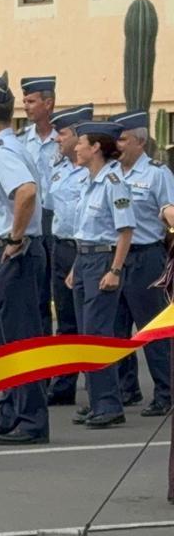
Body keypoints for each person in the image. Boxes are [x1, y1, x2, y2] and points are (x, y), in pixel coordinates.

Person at [0, 73, 50, 446]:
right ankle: (10, 413)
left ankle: (31, 420)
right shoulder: (9, 148)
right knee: (4, 344)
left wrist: (14, 240)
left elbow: (27, 193)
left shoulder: (4, 152)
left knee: (20, 343)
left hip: (15, 253)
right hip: (3, 253)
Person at [64, 121, 134, 429]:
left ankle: (109, 405)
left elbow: (126, 230)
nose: (76, 148)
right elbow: (84, 232)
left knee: (97, 335)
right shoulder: (87, 181)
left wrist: (115, 270)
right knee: (85, 336)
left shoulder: (113, 182)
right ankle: (96, 400)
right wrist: (74, 268)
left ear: (95, 147)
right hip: (84, 260)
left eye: (81, 143)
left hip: (104, 262)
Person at [110, 111, 172, 416]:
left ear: (140, 142)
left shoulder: (157, 174)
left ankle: (165, 392)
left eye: (123, 139)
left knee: (151, 330)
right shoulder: (111, 173)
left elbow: (169, 210)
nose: (117, 144)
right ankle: (126, 388)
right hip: (115, 257)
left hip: (146, 257)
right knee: (116, 328)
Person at [43, 105, 93, 405]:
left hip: (85, 249)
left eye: (62, 133)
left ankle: (114, 388)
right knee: (66, 321)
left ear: (77, 135)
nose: (57, 139)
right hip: (60, 247)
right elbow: (50, 211)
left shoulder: (94, 172)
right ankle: (64, 386)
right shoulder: (58, 169)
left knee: (94, 324)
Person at [20, 77, 58, 335]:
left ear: (48, 103)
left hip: (59, 224)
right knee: (37, 296)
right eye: (24, 101)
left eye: (31, 101)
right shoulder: (21, 141)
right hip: (33, 222)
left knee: (66, 300)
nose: (26, 106)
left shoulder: (68, 139)